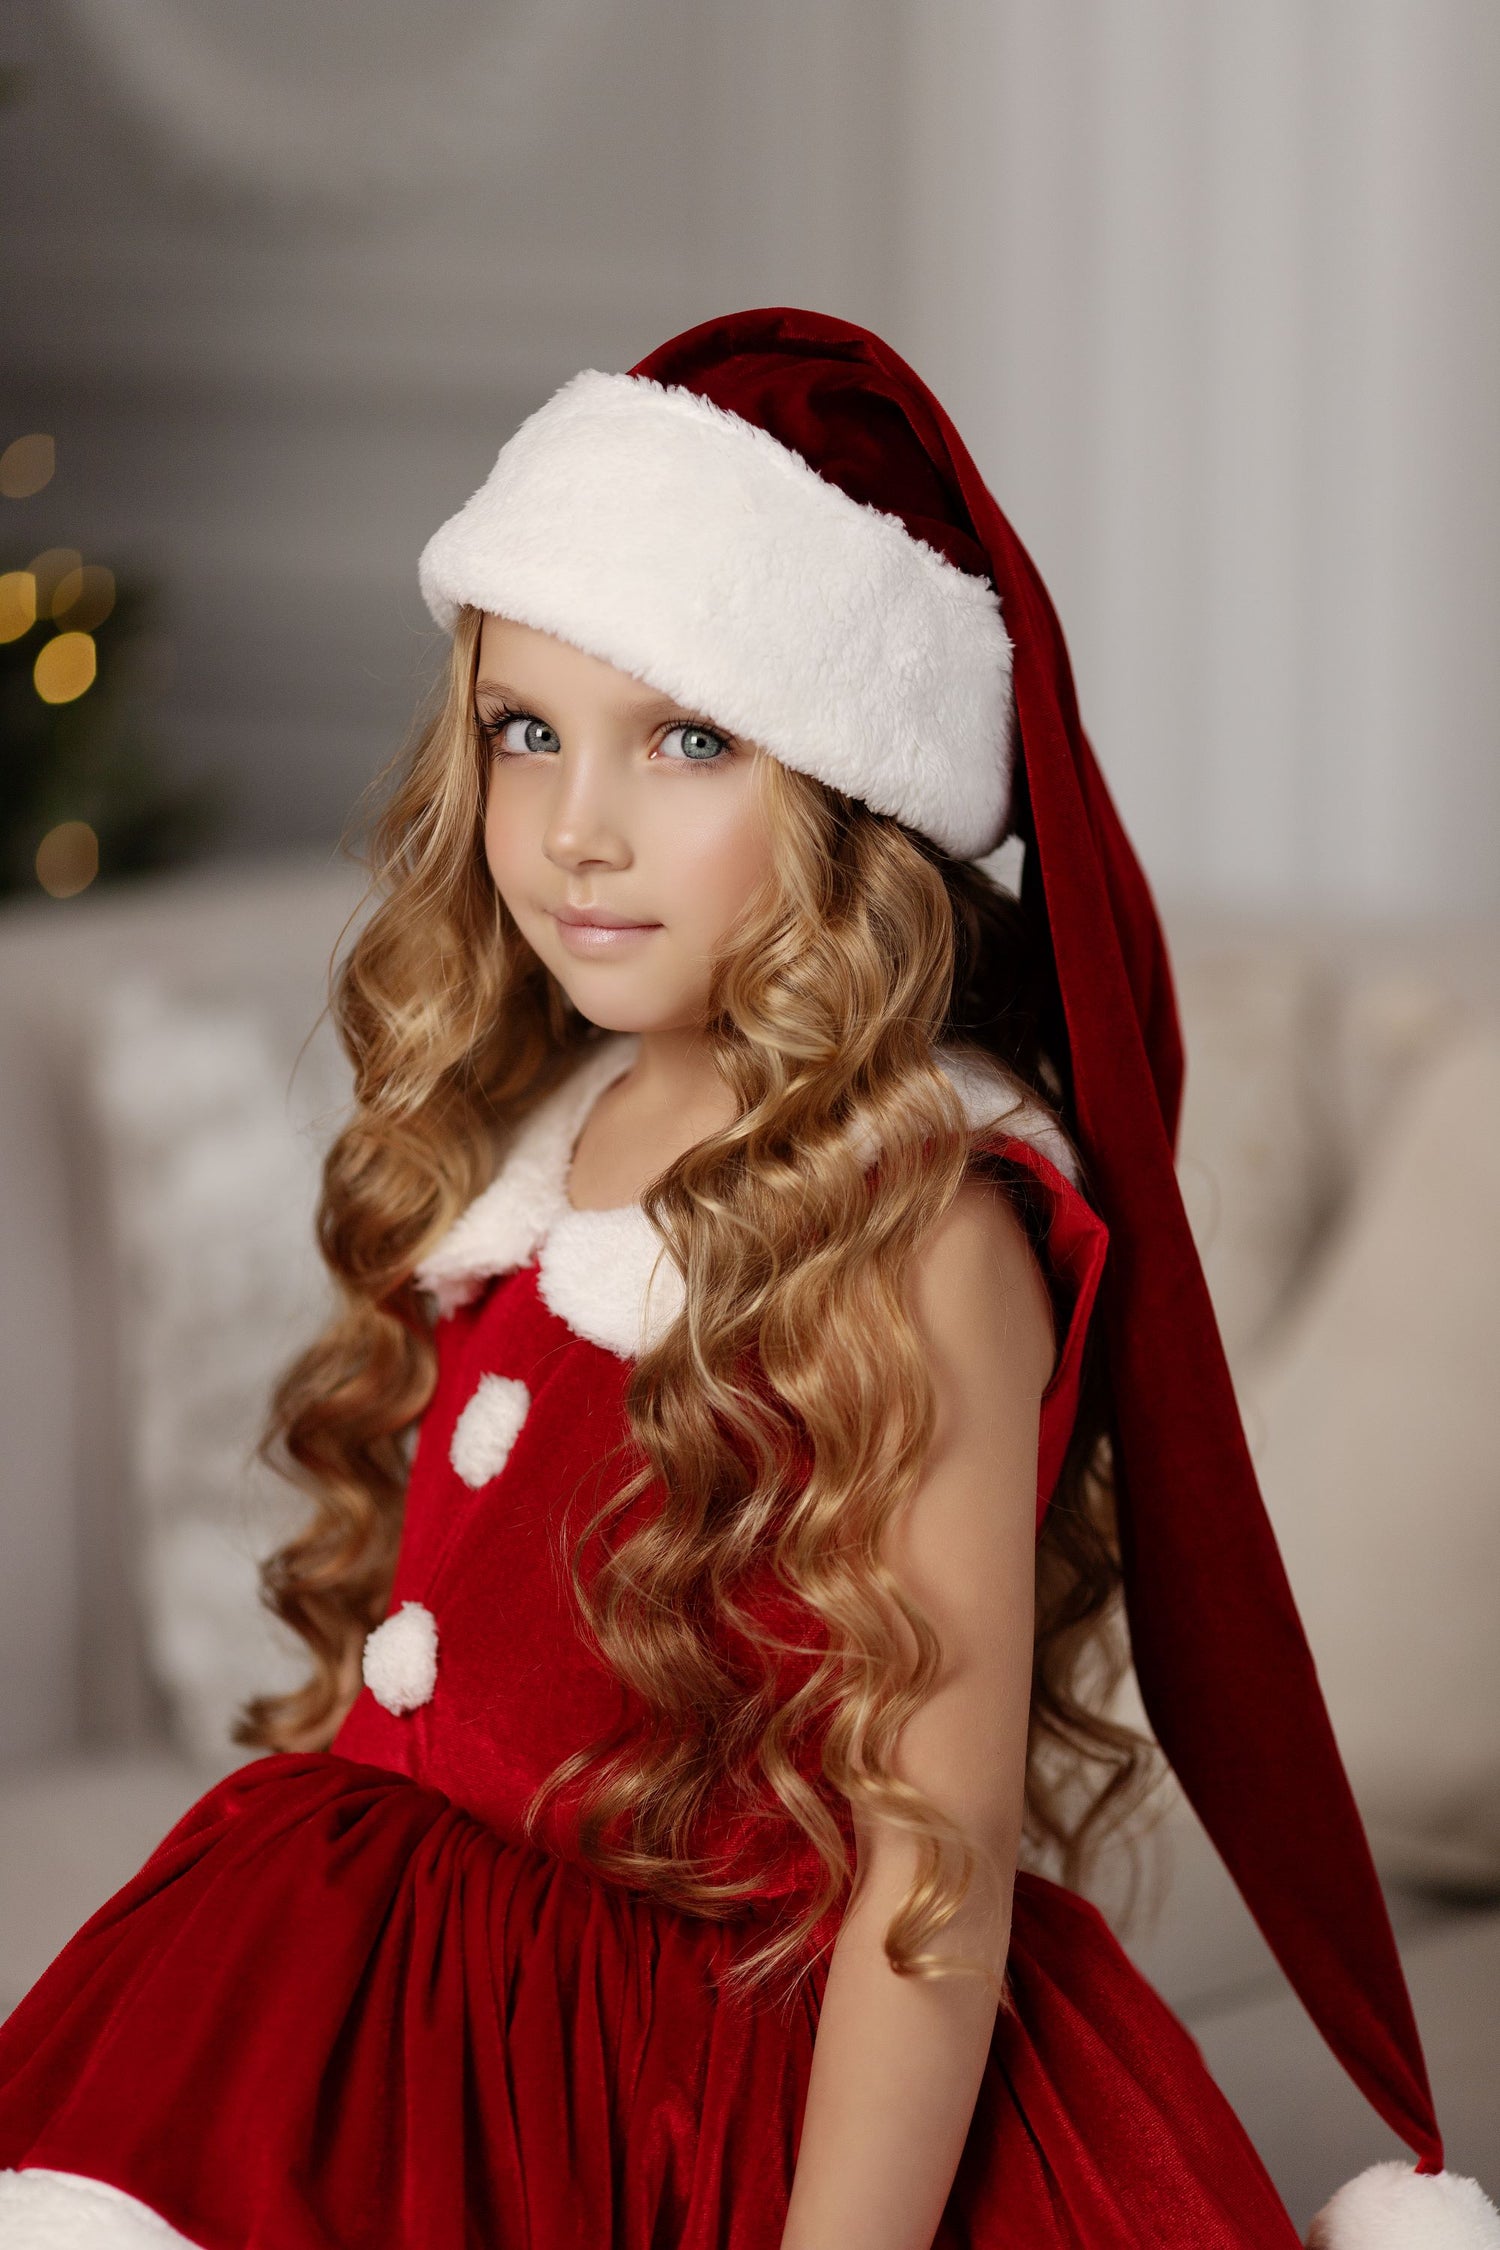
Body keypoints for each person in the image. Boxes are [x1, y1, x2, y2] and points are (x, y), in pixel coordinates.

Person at [0, 308, 1493, 2250]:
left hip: (698, 2090)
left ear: (856, 793)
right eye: (526, 732)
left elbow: (920, 1869)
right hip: (397, 2007)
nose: (577, 830)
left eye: (688, 740)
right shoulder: (556, 1126)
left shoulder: (922, 1225)